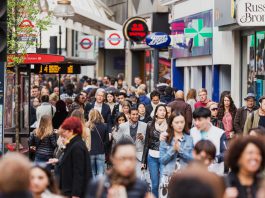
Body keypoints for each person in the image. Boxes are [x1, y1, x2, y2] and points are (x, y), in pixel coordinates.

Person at [55, 117, 92, 198]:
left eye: (65, 131)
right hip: (69, 190)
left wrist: (76, 194)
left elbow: (79, 172)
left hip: (72, 192)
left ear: (71, 131)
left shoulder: (76, 146)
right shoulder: (74, 144)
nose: (63, 134)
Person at [159, 112, 193, 197]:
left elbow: (192, 160)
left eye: (182, 122)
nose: (180, 125)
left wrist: (180, 150)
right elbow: (162, 160)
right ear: (171, 124)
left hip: (185, 177)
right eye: (177, 122)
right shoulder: (165, 138)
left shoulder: (189, 139)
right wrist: (172, 150)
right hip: (168, 177)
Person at [190, 107, 227, 175]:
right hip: (196, 174)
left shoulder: (220, 133)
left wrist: (215, 159)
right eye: (195, 120)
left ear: (208, 119)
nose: (196, 123)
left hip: (215, 174)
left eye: (199, 120)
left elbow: (225, 153)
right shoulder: (192, 132)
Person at [142, 104, 168, 198]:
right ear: (156, 113)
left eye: (164, 110)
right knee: (155, 183)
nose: (162, 112)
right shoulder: (150, 124)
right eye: (160, 110)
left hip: (165, 157)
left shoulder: (170, 124)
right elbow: (146, 143)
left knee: (163, 183)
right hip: (152, 156)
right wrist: (143, 161)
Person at [117, 107, 147, 177]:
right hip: (126, 156)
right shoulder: (122, 126)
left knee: (139, 178)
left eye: (137, 114)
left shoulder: (144, 125)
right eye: (133, 114)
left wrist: (143, 138)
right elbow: (118, 142)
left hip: (139, 156)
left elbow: (147, 143)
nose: (135, 116)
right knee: (126, 178)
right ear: (129, 115)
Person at [86, 109, 109, 178]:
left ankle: (93, 187)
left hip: (90, 152)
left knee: (92, 172)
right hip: (101, 152)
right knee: (101, 173)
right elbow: (107, 141)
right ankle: (100, 188)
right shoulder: (104, 126)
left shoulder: (87, 126)